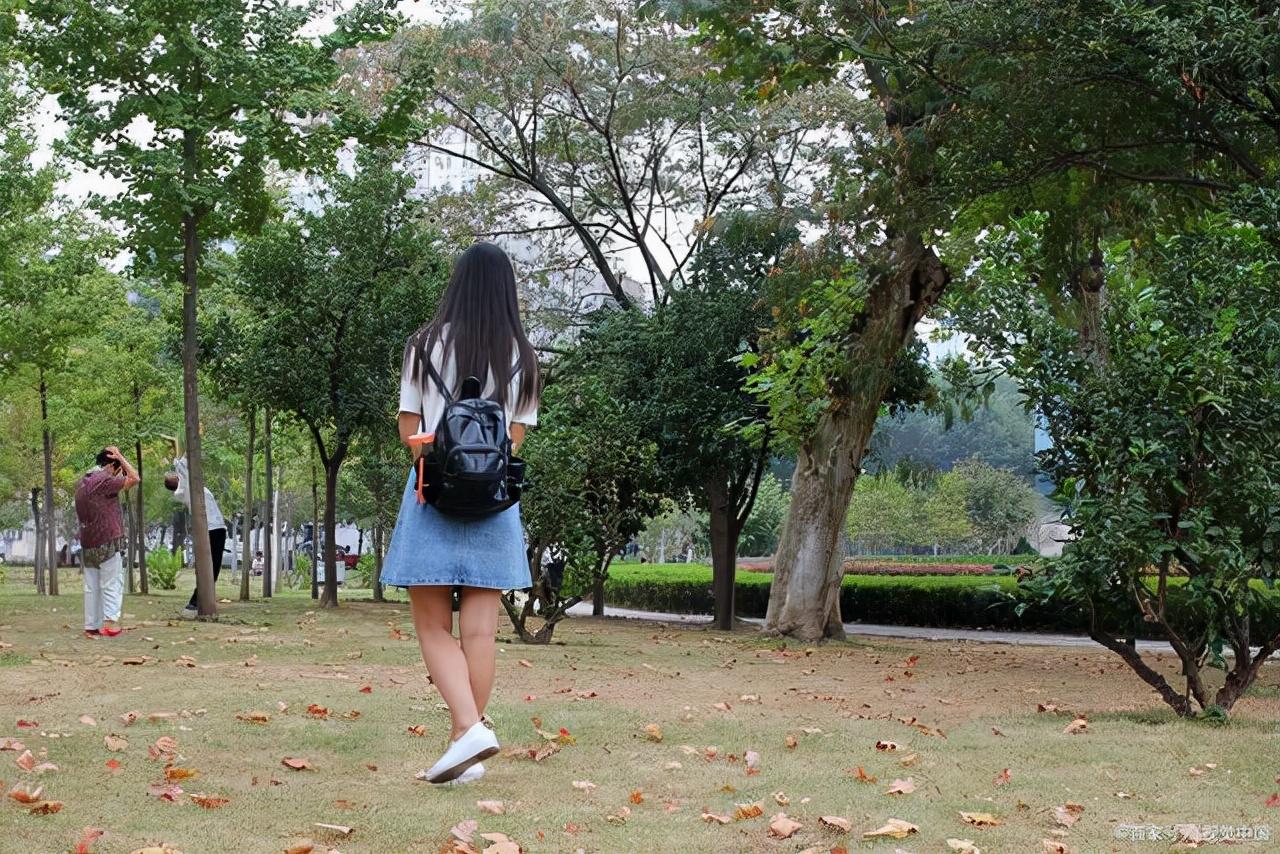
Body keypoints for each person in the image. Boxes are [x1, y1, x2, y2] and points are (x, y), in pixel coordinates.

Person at [381, 242, 540, 786]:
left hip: (433, 491)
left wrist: (441, 459)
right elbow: (513, 440)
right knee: (481, 633)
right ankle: (464, 744)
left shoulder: (424, 345)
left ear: (458, 284)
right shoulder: (522, 355)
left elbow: (409, 428)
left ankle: (468, 730)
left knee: (432, 625)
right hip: (495, 500)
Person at [74, 447, 140, 638]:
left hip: (88, 541)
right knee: (112, 581)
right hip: (106, 539)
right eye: (119, 469)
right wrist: (120, 457)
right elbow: (135, 478)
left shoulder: (83, 482)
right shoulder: (104, 480)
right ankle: (110, 623)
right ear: (112, 466)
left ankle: (91, 626)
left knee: (92, 586)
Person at [163, 442, 228, 619]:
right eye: (173, 475)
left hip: (217, 527)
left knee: (213, 569)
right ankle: (194, 603)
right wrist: (191, 442)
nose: (175, 474)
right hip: (212, 529)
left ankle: (201, 601)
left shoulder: (190, 486)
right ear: (175, 481)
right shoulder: (184, 488)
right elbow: (183, 465)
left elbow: (183, 467)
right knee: (211, 569)